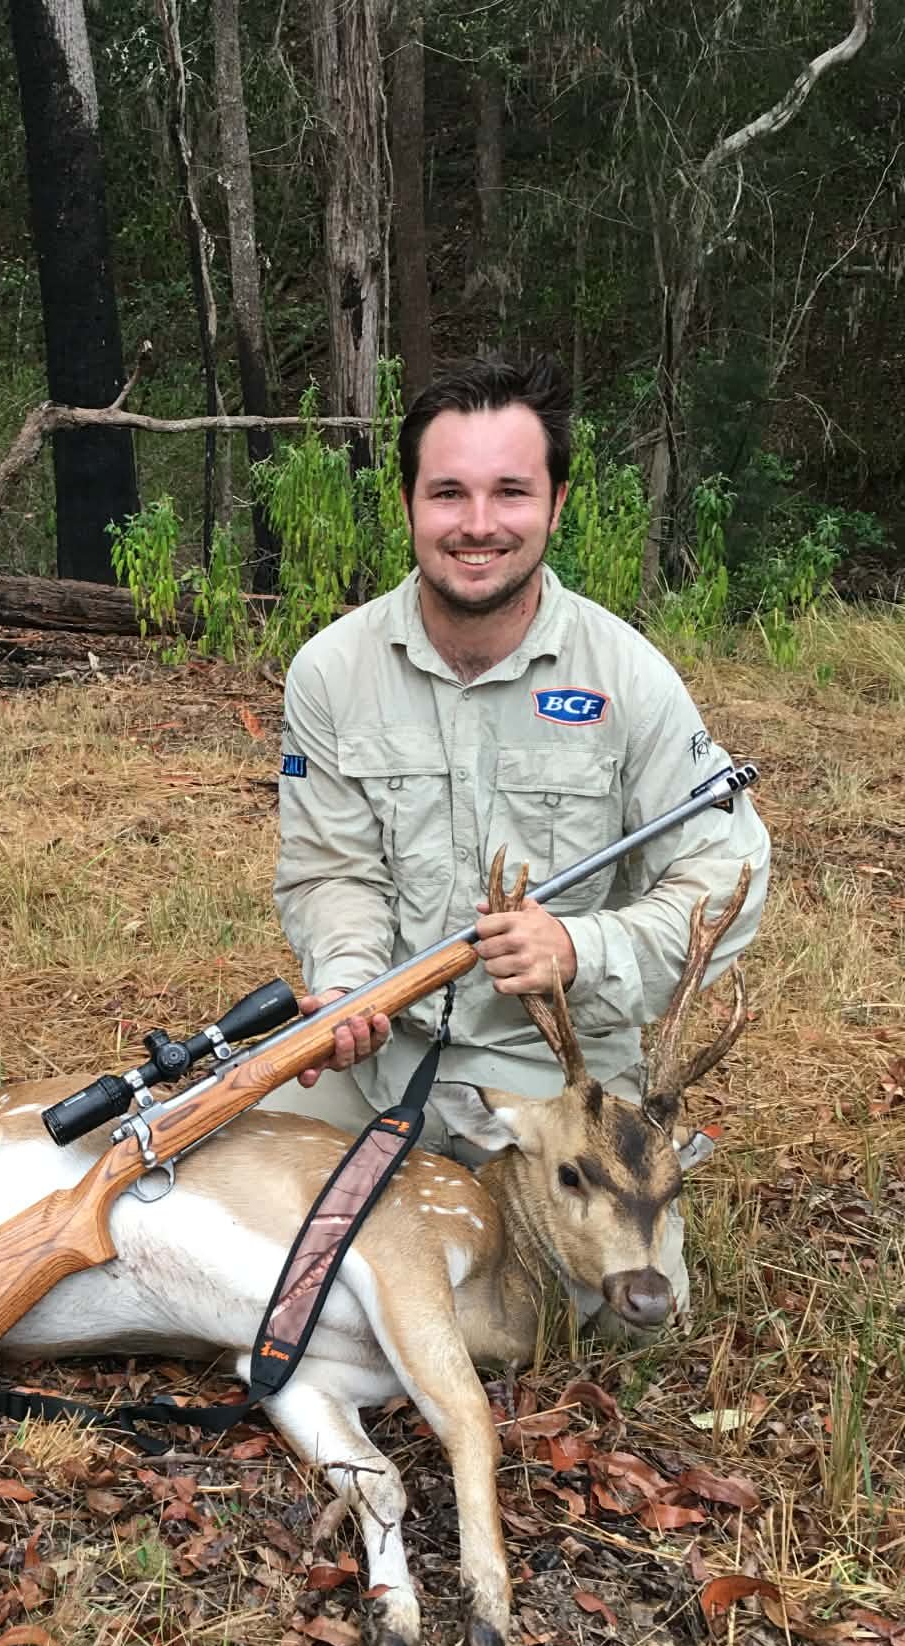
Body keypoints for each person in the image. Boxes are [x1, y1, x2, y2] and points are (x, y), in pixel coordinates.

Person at [269, 354, 770, 1328]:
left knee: (622, 1326)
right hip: (388, 1063)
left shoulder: (628, 675)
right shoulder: (330, 672)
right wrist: (349, 978)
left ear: (557, 500)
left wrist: (585, 949)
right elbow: (332, 868)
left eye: (511, 490)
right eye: (448, 490)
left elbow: (730, 868)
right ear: (408, 498)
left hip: (564, 1093)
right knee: (229, 1231)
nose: (478, 522)